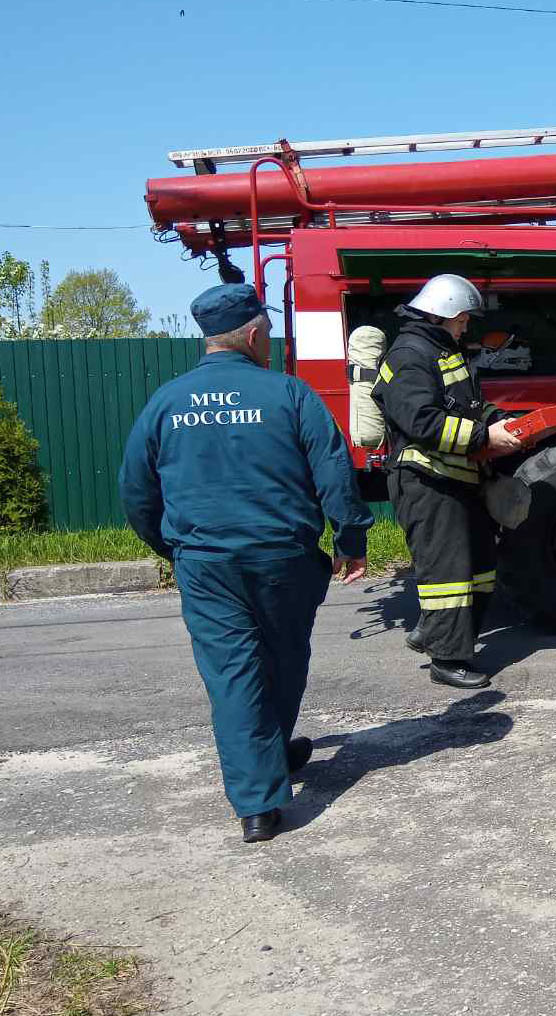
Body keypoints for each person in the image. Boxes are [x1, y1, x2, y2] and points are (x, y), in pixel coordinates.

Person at [119, 284, 374, 843]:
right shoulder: (290, 394)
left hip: (206, 563)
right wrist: (350, 538)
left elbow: (136, 491)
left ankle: (260, 791)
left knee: (233, 672)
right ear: (256, 334)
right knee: (282, 657)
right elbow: (333, 472)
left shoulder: (167, 401)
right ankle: (266, 778)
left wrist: (174, 549)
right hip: (284, 557)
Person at [371, 274, 524, 690]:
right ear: (449, 315)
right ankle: (448, 659)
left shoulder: (441, 349)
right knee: (448, 576)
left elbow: (466, 404)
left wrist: (494, 421)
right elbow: (421, 420)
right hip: (427, 481)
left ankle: (441, 634)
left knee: (478, 571)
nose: (466, 327)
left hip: (455, 477)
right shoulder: (410, 355)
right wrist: (483, 438)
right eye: (463, 320)